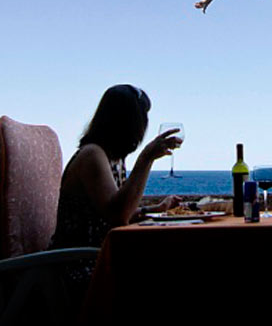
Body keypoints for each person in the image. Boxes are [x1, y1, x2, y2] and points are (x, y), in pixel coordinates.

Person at [50, 84, 182, 252]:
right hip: (81, 260)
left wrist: (156, 209)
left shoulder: (113, 158)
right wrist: (146, 158)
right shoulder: (92, 155)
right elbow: (118, 217)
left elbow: (116, 211)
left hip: (101, 255)